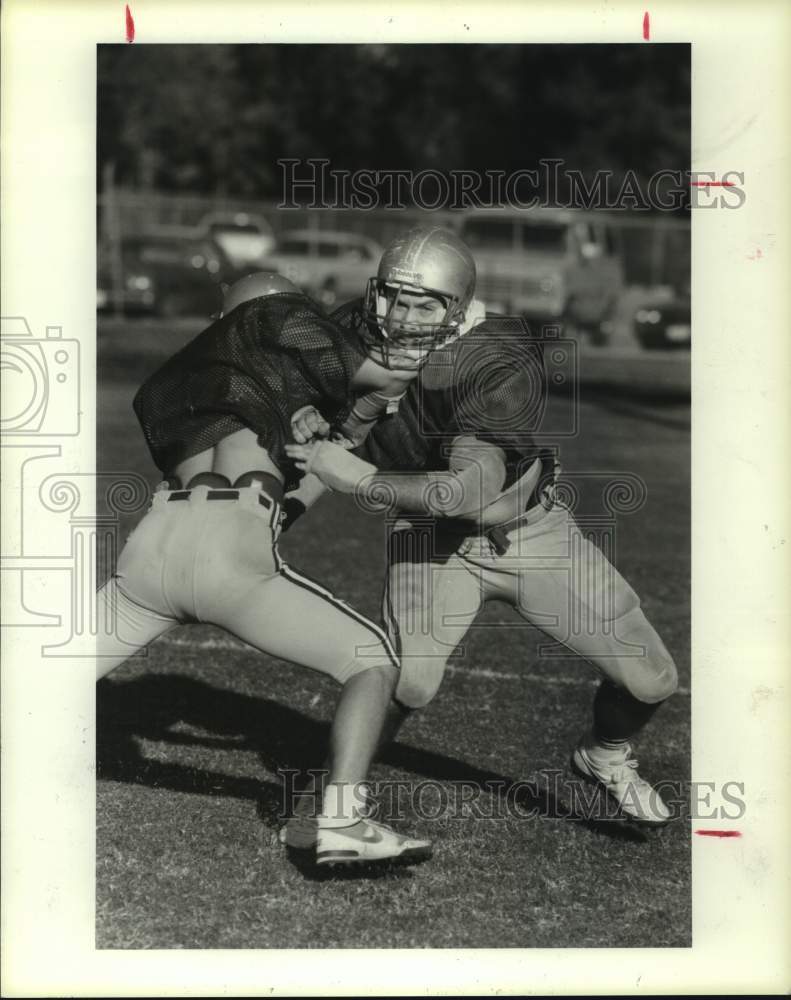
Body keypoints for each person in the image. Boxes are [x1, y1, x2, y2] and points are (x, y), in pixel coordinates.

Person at [284, 226, 679, 831]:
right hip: (427, 538)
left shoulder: (493, 357)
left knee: (652, 680)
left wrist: (357, 477)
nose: (401, 317)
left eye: (424, 305)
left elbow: (468, 490)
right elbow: (284, 388)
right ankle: (339, 801)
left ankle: (602, 756)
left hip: (527, 532)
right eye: (392, 298)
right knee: (407, 683)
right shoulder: (352, 329)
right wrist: (304, 411)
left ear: (460, 308)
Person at [95, 271, 433, 867]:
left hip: (153, 549)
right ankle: (343, 820)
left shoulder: (174, 388)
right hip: (232, 554)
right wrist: (384, 388)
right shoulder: (276, 347)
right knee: (373, 662)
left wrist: (333, 437)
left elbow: (276, 494)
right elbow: (389, 373)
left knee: (37, 680)